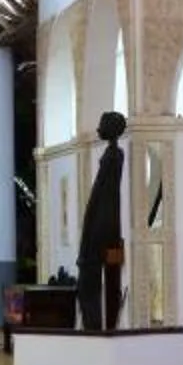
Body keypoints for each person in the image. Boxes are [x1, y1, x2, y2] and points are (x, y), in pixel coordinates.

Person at [76, 110, 127, 332]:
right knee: (88, 277)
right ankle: (93, 323)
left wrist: (93, 226)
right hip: (102, 222)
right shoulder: (111, 154)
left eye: (102, 124)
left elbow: (103, 195)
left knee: (90, 277)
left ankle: (95, 325)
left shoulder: (114, 156)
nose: (98, 128)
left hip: (103, 224)